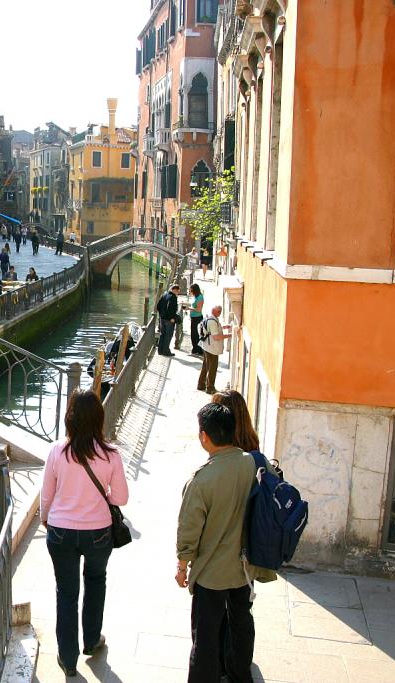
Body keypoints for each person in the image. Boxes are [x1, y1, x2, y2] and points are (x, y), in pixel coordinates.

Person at [176, 403, 276, 683]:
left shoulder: (202, 480)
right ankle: (240, 676)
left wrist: (182, 567)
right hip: (246, 568)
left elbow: (189, 532)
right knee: (242, 624)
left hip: (211, 573)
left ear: (204, 437)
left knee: (205, 638)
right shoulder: (256, 464)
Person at [41, 389, 129, 677]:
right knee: (95, 581)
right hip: (98, 532)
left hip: (61, 531)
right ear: (98, 418)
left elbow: (47, 495)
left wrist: (46, 519)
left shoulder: (57, 451)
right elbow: (121, 498)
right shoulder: (111, 455)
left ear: (70, 418)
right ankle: (91, 641)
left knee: (66, 592)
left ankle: (68, 658)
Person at [197, 306, 226, 394]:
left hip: (206, 346)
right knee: (212, 368)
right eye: (219, 311)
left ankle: (201, 384)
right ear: (214, 311)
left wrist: (225, 327)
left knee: (205, 366)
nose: (220, 313)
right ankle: (210, 388)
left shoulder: (209, 318)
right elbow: (216, 336)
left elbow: (211, 330)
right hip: (211, 348)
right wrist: (229, 335)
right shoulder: (213, 321)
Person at [155, 285, 181, 357]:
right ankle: (166, 351)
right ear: (175, 290)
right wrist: (172, 318)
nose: (178, 293)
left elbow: (158, 306)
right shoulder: (173, 297)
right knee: (168, 335)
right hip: (169, 320)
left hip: (162, 318)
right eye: (178, 291)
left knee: (162, 334)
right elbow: (171, 308)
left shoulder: (165, 294)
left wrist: (161, 315)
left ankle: (160, 350)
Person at [187, 284, 204, 358]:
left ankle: (197, 350)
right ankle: (195, 350)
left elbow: (199, 309)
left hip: (197, 318)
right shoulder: (195, 297)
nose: (190, 291)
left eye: (191, 290)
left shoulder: (200, 297)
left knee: (195, 335)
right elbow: (193, 305)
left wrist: (189, 309)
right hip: (193, 318)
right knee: (193, 334)